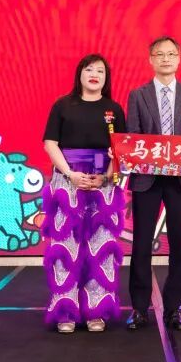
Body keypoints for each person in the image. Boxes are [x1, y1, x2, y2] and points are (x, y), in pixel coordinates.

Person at [125, 36, 181, 332]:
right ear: (151, 59)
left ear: (179, 59)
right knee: (141, 244)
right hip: (147, 179)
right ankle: (138, 309)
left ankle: (173, 309)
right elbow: (132, 135)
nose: (165, 59)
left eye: (171, 54)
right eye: (159, 54)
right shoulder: (138, 95)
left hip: (180, 180)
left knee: (179, 245)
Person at [42, 54, 126, 333]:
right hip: (68, 180)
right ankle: (65, 310)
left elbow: (121, 149)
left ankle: (96, 310)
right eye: (89, 69)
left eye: (100, 71)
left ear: (106, 77)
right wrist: (70, 174)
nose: (94, 74)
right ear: (79, 74)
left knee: (101, 246)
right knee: (65, 245)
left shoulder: (114, 109)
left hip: (102, 183)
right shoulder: (63, 105)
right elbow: (50, 143)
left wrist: (105, 176)